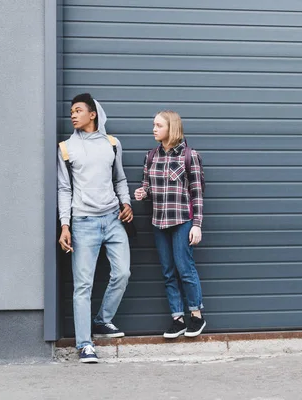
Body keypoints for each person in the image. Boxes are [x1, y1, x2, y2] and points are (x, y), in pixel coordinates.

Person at [57, 93, 133, 363]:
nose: (73, 115)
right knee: (83, 286)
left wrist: (126, 202)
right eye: (71, 112)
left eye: (78, 110)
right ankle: (84, 344)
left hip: (113, 219)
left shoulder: (112, 144)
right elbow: (64, 189)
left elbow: (120, 178)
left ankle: (102, 320)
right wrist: (65, 225)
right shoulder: (66, 148)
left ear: (93, 114)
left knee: (122, 272)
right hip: (83, 223)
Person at [134, 110, 206, 338]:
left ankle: (196, 316)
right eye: (153, 125)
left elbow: (198, 193)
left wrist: (197, 224)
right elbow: (147, 185)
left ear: (171, 128)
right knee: (167, 272)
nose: (153, 129)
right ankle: (178, 319)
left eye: (158, 125)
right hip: (159, 222)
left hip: (182, 220)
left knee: (185, 268)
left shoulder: (189, 155)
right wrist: (142, 192)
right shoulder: (151, 156)